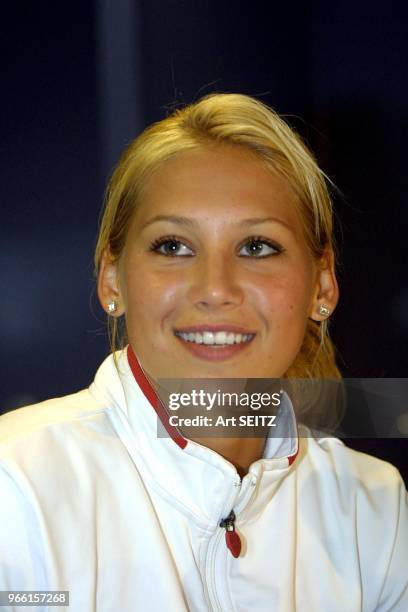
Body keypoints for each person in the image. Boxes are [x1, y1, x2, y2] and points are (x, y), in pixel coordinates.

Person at [0, 93, 407, 611]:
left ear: (322, 285)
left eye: (257, 247)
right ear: (111, 279)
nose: (215, 289)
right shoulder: (14, 488)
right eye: (173, 246)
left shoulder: (373, 509)